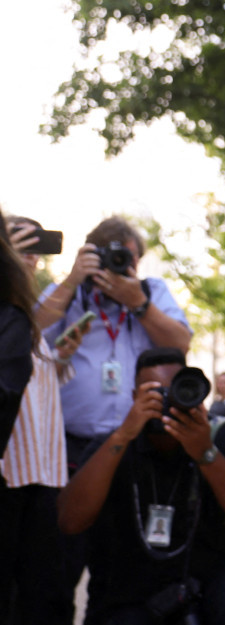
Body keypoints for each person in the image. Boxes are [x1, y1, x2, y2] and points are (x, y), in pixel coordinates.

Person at [37, 215, 193, 622]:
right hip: (72, 447)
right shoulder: (68, 295)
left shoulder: (152, 292)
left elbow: (180, 342)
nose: (123, 267)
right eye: (111, 258)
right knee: (58, 565)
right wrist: (72, 280)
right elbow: (26, 330)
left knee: (122, 568)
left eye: (130, 259)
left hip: (135, 449)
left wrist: (136, 302)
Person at [57, 347, 225, 625]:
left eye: (174, 393)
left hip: (213, 574)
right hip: (129, 586)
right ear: (134, 398)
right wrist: (124, 434)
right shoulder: (113, 445)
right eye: (154, 394)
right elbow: (70, 521)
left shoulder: (222, 436)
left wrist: (205, 452)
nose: (165, 404)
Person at [1, 216, 82, 623]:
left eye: (37, 249)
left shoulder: (23, 317)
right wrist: (73, 280)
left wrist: (60, 354)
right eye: (22, 246)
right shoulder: (12, 311)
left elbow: (31, 382)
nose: (32, 259)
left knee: (47, 593)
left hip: (42, 474)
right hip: (12, 477)